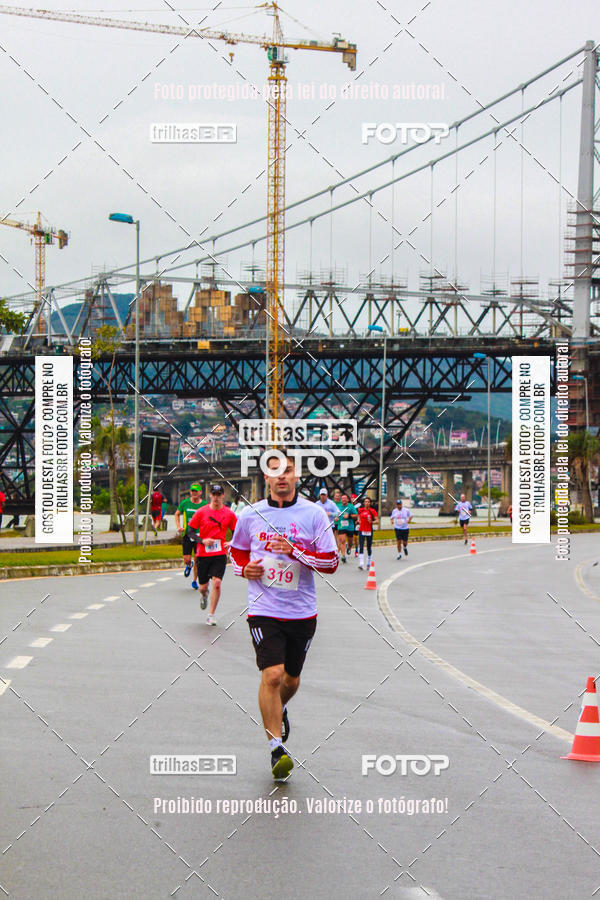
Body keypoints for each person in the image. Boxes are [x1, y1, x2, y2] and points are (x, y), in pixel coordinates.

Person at [230, 453, 339, 780]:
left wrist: (295, 552)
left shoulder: (314, 515)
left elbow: (331, 563)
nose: (281, 477)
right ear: (266, 477)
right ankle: (276, 749)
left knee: (290, 680)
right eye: (274, 471)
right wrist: (243, 569)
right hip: (264, 608)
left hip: (302, 612)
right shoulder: (250, 515)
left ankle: (281, 709)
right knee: (273, 675)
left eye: (287, 470)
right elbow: (236, 551)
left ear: (296, 475)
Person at [188, 484, 237, 623]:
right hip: (203, 554)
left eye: (219, 494)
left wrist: (232, 542)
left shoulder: (229, 513)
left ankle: (211, 615)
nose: (216, 497)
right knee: (203, 587)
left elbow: (237, 531)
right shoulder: (201, 512)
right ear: (210, 496)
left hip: (219, 554)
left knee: (217, 583)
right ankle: (204, 595)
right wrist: (202, 540)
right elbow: (189, 531)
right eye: (213, 494)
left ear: (223, 496)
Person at [175, 484, 206, 582]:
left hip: (199, 535)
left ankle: (194, 581)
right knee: (187, 559)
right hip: (187, 534)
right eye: (192, 491)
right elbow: (177, 514)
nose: (194, 493)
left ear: (200, 492)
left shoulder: (204, 505)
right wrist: (179, 526)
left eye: (196, 491)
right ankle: (189, 564)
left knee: (197, 559)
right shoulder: (185, 503)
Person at [334, 492, 358, 563]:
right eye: (342, 498)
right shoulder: (338, 507)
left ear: (348, 500)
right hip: (341, 526)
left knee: (350, 541)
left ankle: (349, 547)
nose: (343, 500)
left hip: (350, 527)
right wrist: (336, 518)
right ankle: (343, 556)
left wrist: (349, 516)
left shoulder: (351, 507)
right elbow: (336, 515)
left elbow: (356, 515)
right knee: (342, 540)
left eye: (345, 499)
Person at [356, 496, 377, 570]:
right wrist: (358, 520)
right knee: (361, 546)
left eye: (368, 502)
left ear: (370, 503)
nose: (367, 503)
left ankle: (368, 563)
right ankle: (361, 563)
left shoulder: (372, 511)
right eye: (365, 502)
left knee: (369, 547)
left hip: (369, 531)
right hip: (361, 530)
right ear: (364, 503)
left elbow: (377, 520)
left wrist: (372, 522)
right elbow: (358, 517)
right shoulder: (360, 510)